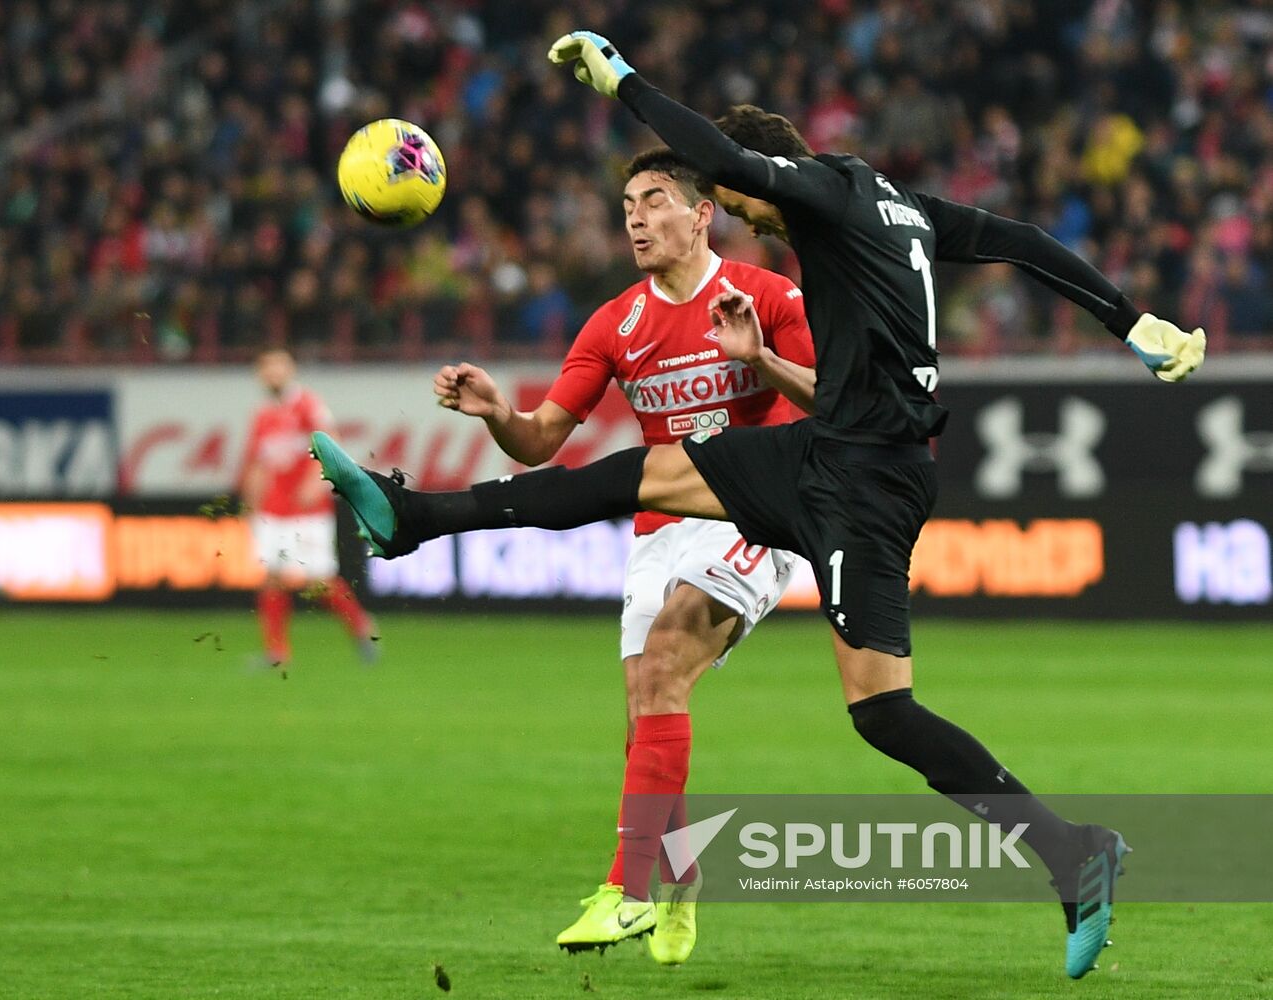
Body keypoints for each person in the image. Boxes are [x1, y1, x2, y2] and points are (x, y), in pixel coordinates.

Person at [310, 32, 1206, 980]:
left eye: (733, 203)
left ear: (759, 183)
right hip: (832, 452)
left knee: (883, 713)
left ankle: (1073, 854)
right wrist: (1131, 320)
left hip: (868, 478)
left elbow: (735, 164)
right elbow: (1017, 242)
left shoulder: (812, 195)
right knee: (637, 472)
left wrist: (618, 79)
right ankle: (415, 521)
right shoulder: (894, 204)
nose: (741, 217)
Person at [432, 146, 815, 963]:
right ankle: (680, 882)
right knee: (646, 716)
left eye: (653, 200)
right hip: (660, 526)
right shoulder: (615, 323)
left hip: (758, 514)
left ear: (701, 213)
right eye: (627, 205)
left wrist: (760, 361)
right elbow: (538, 442)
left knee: (666, 661)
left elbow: (836, 402)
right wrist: (498, 411)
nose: (635, 217)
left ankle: (625, 891)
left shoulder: (768, 296)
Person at [239, 347, 377, 669]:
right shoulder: (262, 415)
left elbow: (332, 444)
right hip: (274, 510)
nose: (273, 373)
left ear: (290, 370)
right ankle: (277, 652)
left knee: (320, 581)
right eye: (267, 368)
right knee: (271, 577)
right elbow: (258, 464)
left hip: (307, 511)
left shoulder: (308, 405)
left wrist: (318, 481)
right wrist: (251, 505)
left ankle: (361, 627)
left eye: (278, 366)